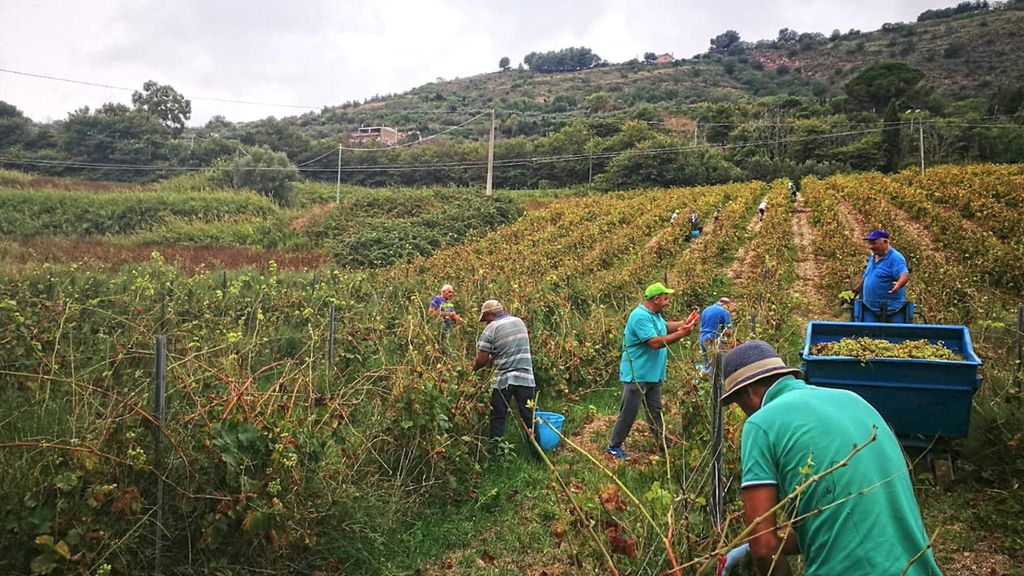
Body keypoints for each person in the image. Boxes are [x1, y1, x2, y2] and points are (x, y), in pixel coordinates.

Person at [718, 340, 942, 576]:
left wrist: (757, 545)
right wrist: (751, 548)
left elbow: (764, 550)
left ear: (749, 393)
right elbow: (831, 523)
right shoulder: (854, 400)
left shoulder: (760, 424)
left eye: (739, 404)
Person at [605, 283, 697, 459]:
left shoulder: (653, 315)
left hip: (652, 374)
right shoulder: (640, 316)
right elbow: (654, 342)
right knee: (629, 412)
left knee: (655, 411)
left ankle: (662, 442)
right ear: (656, 299)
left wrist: (683, 323)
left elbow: (665, 327)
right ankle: (613, 447)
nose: (667, 302)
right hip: (637, 374)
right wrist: (682, 334)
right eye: (665, 298)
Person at [472, 299, 538, 455]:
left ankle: (496, 454)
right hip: (526, 378)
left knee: (498, 418)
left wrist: (473, 369)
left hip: (503, 381)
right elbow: (511, 348)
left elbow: (482, 359)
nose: (485, 322)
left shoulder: (491, 329)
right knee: (529, 418)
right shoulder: (519, 322)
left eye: (485, 319)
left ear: (489, 315)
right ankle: (536, 453)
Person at [852, 230, 911, 322]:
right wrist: (855, 291)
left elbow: (904, 274)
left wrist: (898, 285)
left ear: (885, 242)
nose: (871, 247)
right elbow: (867, 276)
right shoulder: (873, 257)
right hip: (870, 307)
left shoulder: (895, 258)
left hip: (891, 310)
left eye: (874, 243)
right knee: (868, 335)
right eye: (870, 244)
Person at [699, 297, 733, 371]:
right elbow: (728, 331)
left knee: (707, 366)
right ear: (725, 304)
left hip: (702, 339)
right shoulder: (724, 311)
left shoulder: (706, 310)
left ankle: (707, 381)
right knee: (718, 368)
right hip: (713, 340)